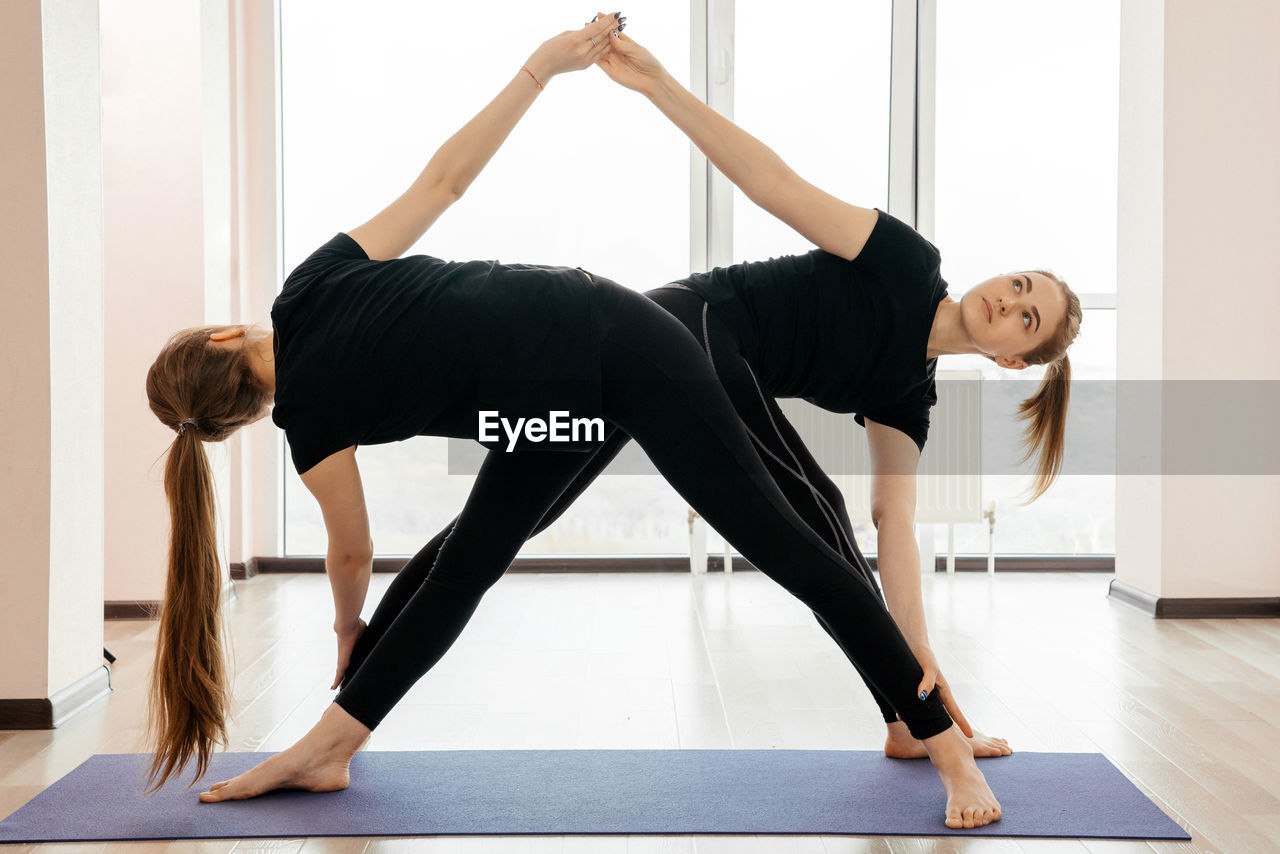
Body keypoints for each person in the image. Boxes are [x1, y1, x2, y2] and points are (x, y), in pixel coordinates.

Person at [145, 16, 1004, 829]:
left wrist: (347, 628)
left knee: (779, 539)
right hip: (575, 378)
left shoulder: (306, 425)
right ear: (224, 335)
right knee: (469, 556)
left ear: (236, 419)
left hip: (629, 361)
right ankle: (330, 747)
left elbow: (351, 554)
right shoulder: (307, 285)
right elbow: (445, 181)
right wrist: (539, 71)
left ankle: (942, 746)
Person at [337, 21, 1083, 773]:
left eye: (1028, 317)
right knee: (815, 504)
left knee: (493, 528)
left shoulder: (908, 397)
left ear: (1015, 359)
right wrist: (660, 84)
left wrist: (917, 648)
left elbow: (894, 519)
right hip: (682, 326)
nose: (1008, 302)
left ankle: (346, 702)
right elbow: (774, 185)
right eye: (1019, 285)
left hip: (649, 372)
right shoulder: (908, 265)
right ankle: (912, 718)